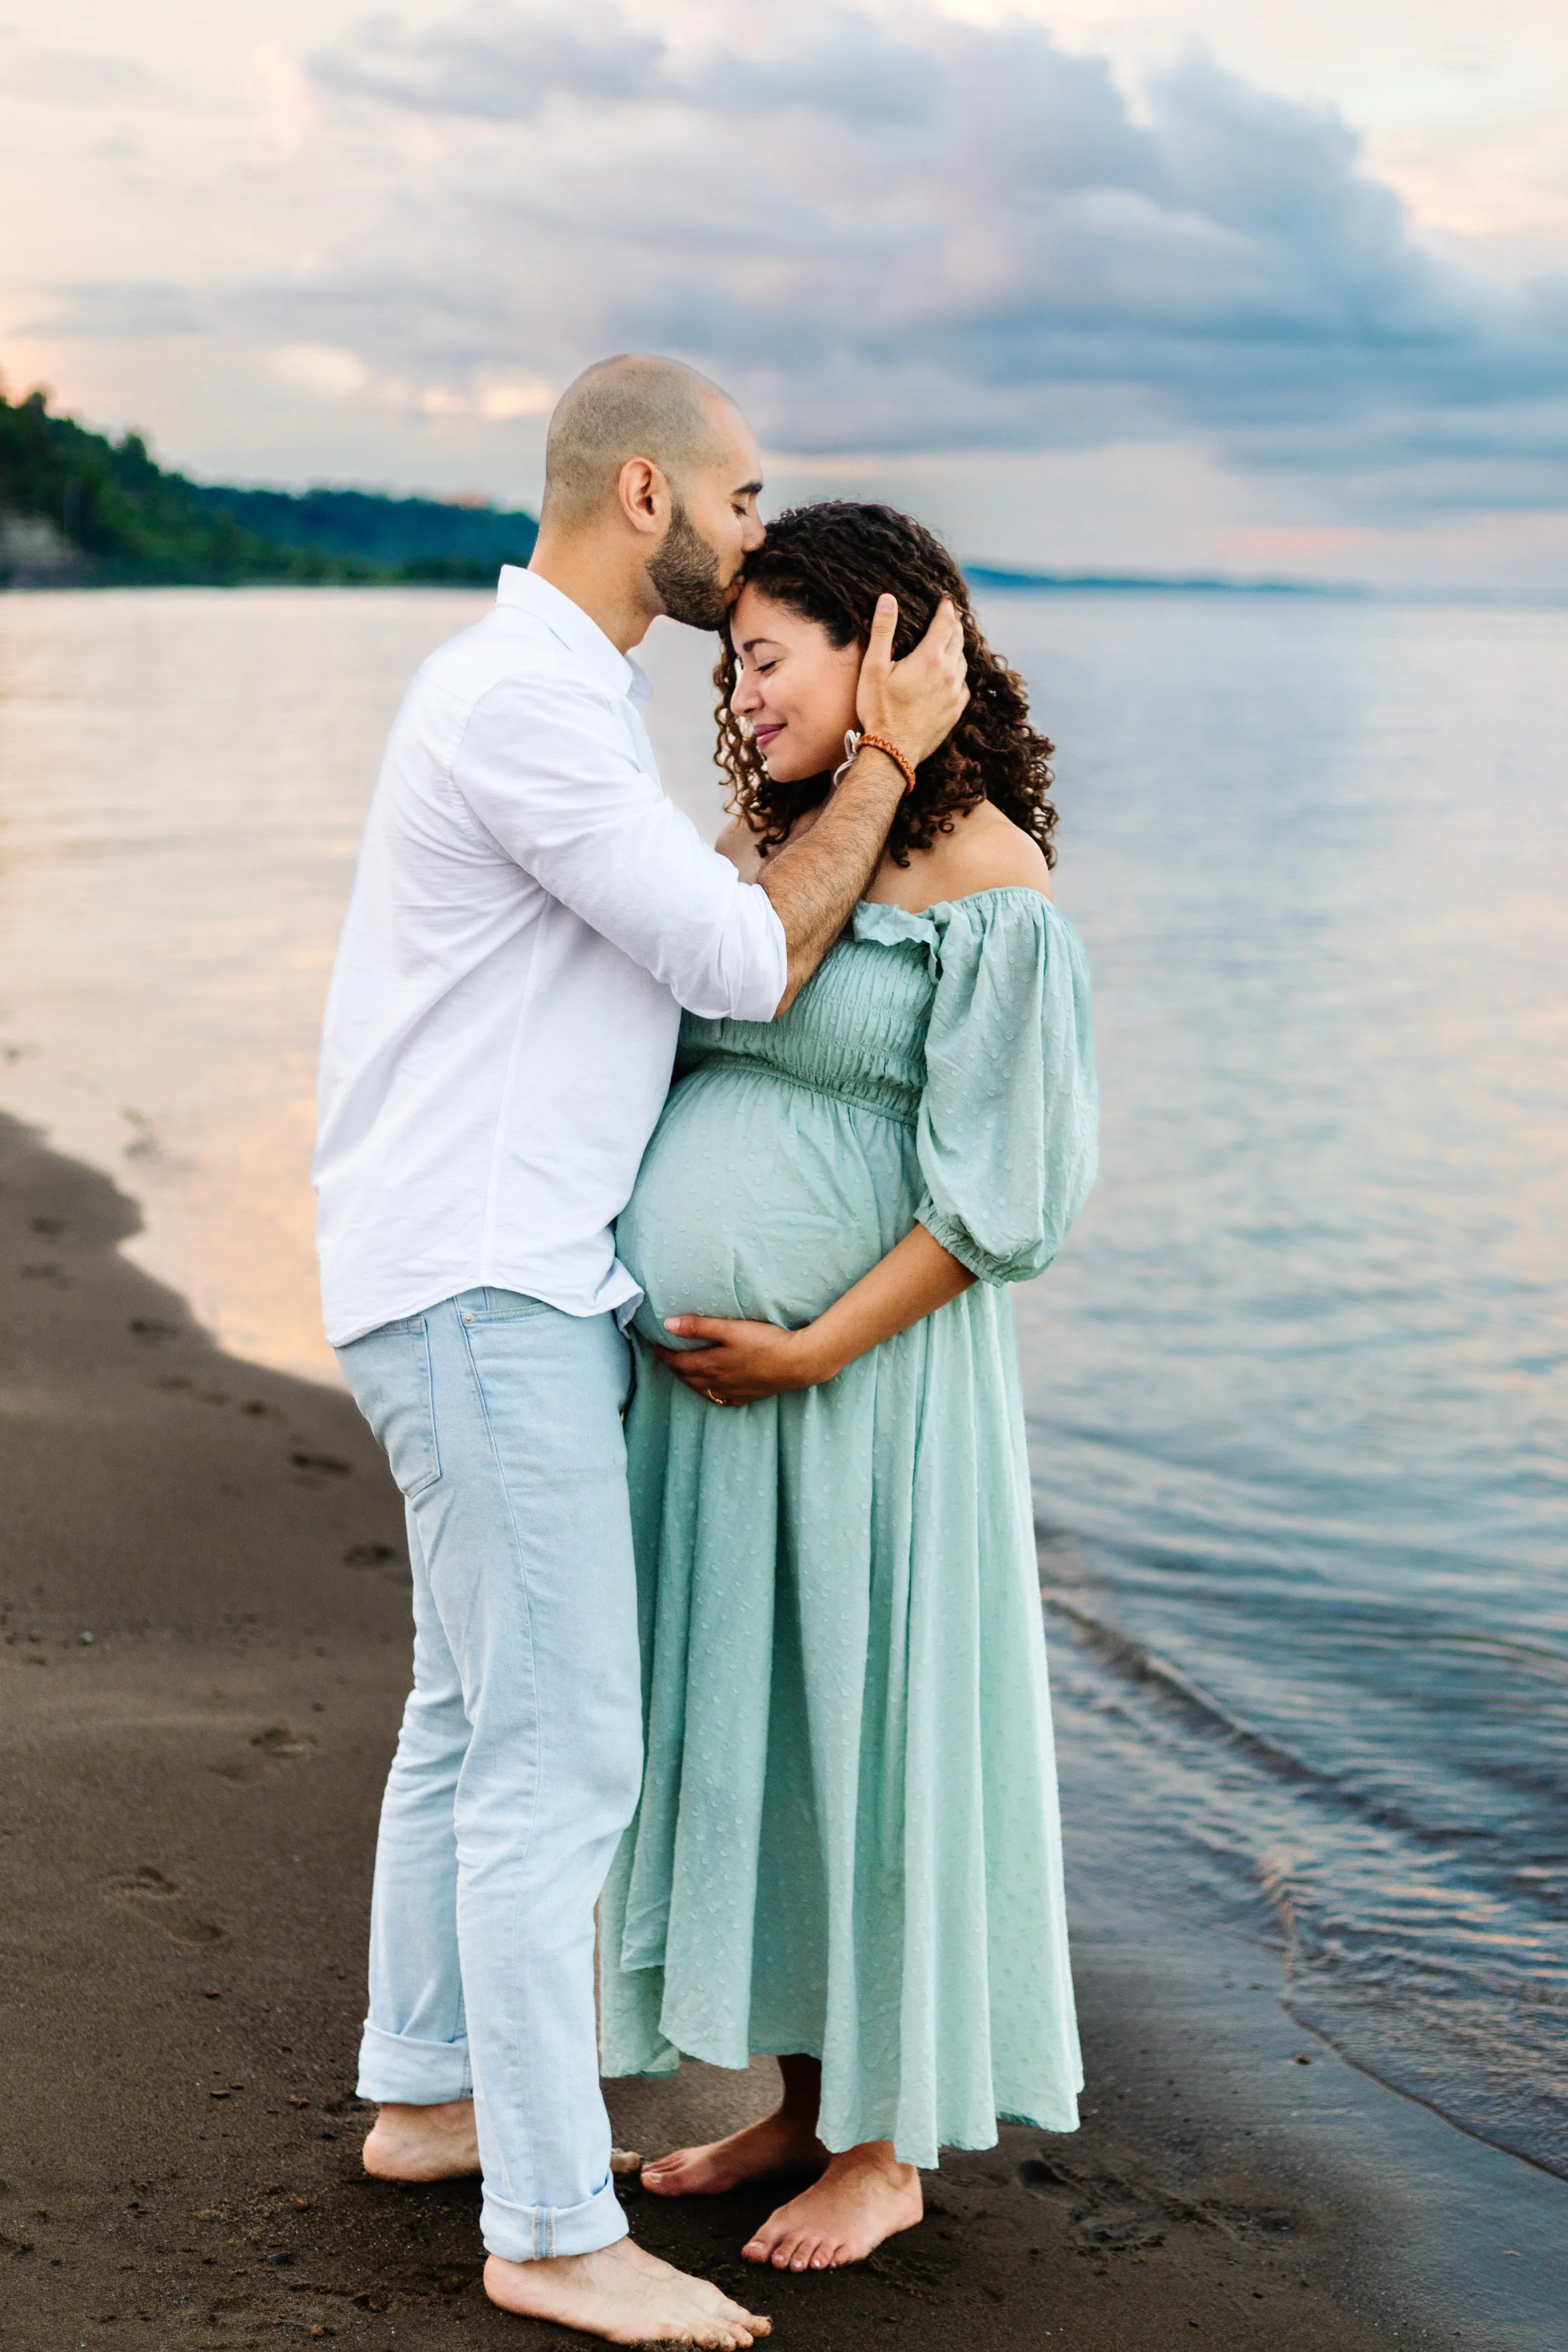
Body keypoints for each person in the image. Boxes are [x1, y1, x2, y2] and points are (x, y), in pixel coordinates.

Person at [312, 363, 969, 2346]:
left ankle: (429, 2094)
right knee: (557, 1754)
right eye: (742, 497)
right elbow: (742, 954)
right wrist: (886, 757)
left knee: (464, 1713)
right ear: (641, 493)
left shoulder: (552, 703)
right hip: (485, 1292)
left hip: (468, 1281)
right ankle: (545, 2222)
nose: (760, 532)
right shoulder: (524, 706)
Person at [600, 501, 1098, 2274]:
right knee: (771, 1743)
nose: (739, 692)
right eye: (732, 662)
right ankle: (803, 2103)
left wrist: (812, 1341)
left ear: (886, 648)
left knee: (866, 1733)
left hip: (865, 1392)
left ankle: (883, 2148)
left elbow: (1003, 1196)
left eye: (762, 653)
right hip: (718, 1407)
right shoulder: (772, 833)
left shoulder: (988, 879)